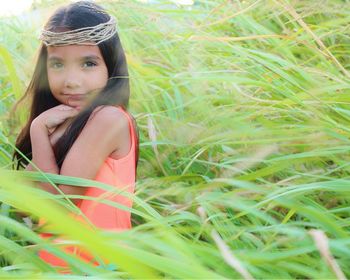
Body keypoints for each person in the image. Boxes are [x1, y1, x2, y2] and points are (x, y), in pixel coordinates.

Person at [11, 0, 139, 274]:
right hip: (55, 268)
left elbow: (58, 210)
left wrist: (38, 131)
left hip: (96, 269)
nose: (71, 80)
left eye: (88, 64)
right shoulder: (63, 121)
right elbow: (23, 207)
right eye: (57, 64)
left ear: (111, 64)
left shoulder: (108, 119)